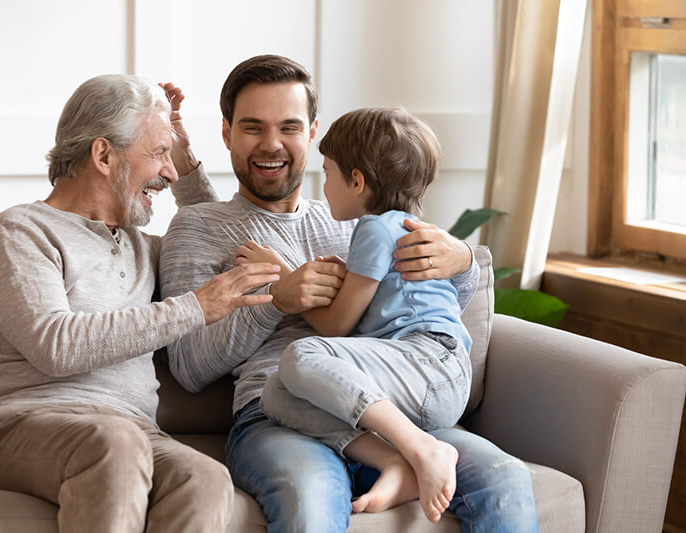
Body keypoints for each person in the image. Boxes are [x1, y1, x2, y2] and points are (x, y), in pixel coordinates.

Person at [160, 55, 539, 532]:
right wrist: (275, 302)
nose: (271, 144)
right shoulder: (197, 228)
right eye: (253, 127)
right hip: (280, 413)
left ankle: (409, 455)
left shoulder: (355, 216)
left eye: (289, 127)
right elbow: (189, 369)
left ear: (313, 132)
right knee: (311, 497)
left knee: (504, 476)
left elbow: (428, 308)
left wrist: (460, 258)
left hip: (390, 407)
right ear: (227, 133)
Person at [0, 74, 281, 533]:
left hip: (133, 431)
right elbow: (56, 346)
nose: (167, 173)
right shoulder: (21, 230)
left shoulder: (142, 247)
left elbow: (217, 243)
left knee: (205, 476)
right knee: (116, 442)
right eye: (158, 154)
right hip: (20, 427)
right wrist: (195, 307)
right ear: (104, 155)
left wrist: (185, 160)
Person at [237, 107, 473, 522]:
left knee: (301, 355)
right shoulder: (402, 229)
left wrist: (286, 277)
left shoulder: (376, 228)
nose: (323, 184)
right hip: (424, 378)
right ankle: (395, 461)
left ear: (358, 181)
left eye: (327, 173)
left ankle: (424, 448)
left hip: (430, 363)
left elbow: (336, 326)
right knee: (277, 394)